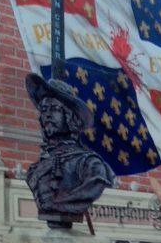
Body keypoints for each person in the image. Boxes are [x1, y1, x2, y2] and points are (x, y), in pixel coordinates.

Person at [24, 73, 115, 228]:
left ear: (70, 117)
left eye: (55, 109)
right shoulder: (36, 168)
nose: (47, 115)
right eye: (44, 109)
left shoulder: (90, 164)